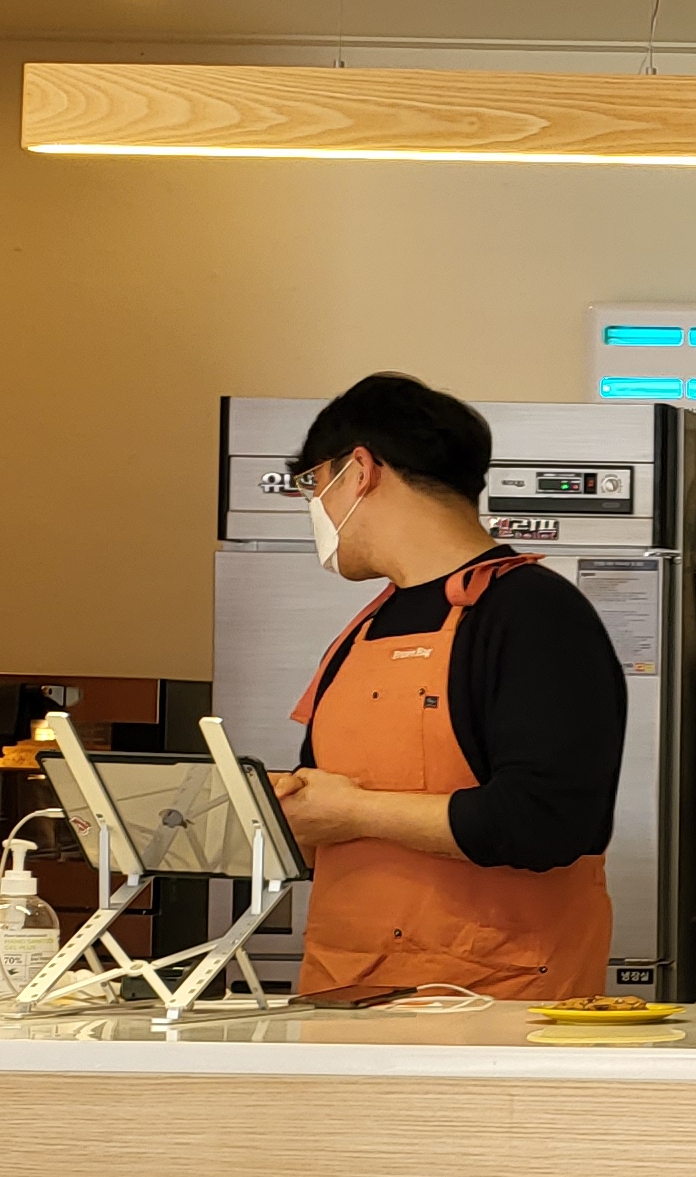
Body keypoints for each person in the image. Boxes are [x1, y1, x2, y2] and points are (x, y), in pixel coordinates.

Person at [268, 372, 631, 1003]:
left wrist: (355, 811)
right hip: (345, 998)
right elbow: (322, 807)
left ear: (360, 471)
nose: (314, 507)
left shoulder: (532, 613)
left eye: (312, 484)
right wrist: (284, 812)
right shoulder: (363, 629)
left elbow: (546, 821)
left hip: (494, 1009)